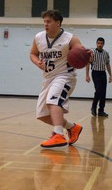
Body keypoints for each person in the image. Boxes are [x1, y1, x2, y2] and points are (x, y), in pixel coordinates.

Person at [30, 10, 92, 148]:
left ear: (58, 23)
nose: (45, 24)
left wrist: (88, 54)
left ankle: (58, 134)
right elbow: (33, 54)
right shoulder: (39, 37)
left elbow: (80, 50)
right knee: (42, 115)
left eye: (49, 21)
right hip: (48, 78)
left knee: (53, 101)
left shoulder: (70, 38)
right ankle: (72, 128)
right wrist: (37, 62)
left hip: (65, 76)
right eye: (44, 21)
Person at [86, 37, 112, 117]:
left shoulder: (106, 53)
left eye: (101, 43)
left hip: (103, 73)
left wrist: (110, 75)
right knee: (98, 90)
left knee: (103, 92)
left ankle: (101, 110)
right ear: (96, 43)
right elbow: (88, 63)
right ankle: (93, 107)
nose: (100, 45)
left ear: (103, 44)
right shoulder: (92, 52)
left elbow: (107, 64)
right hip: (95, 73)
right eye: (98, 43)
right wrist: (87, 75)